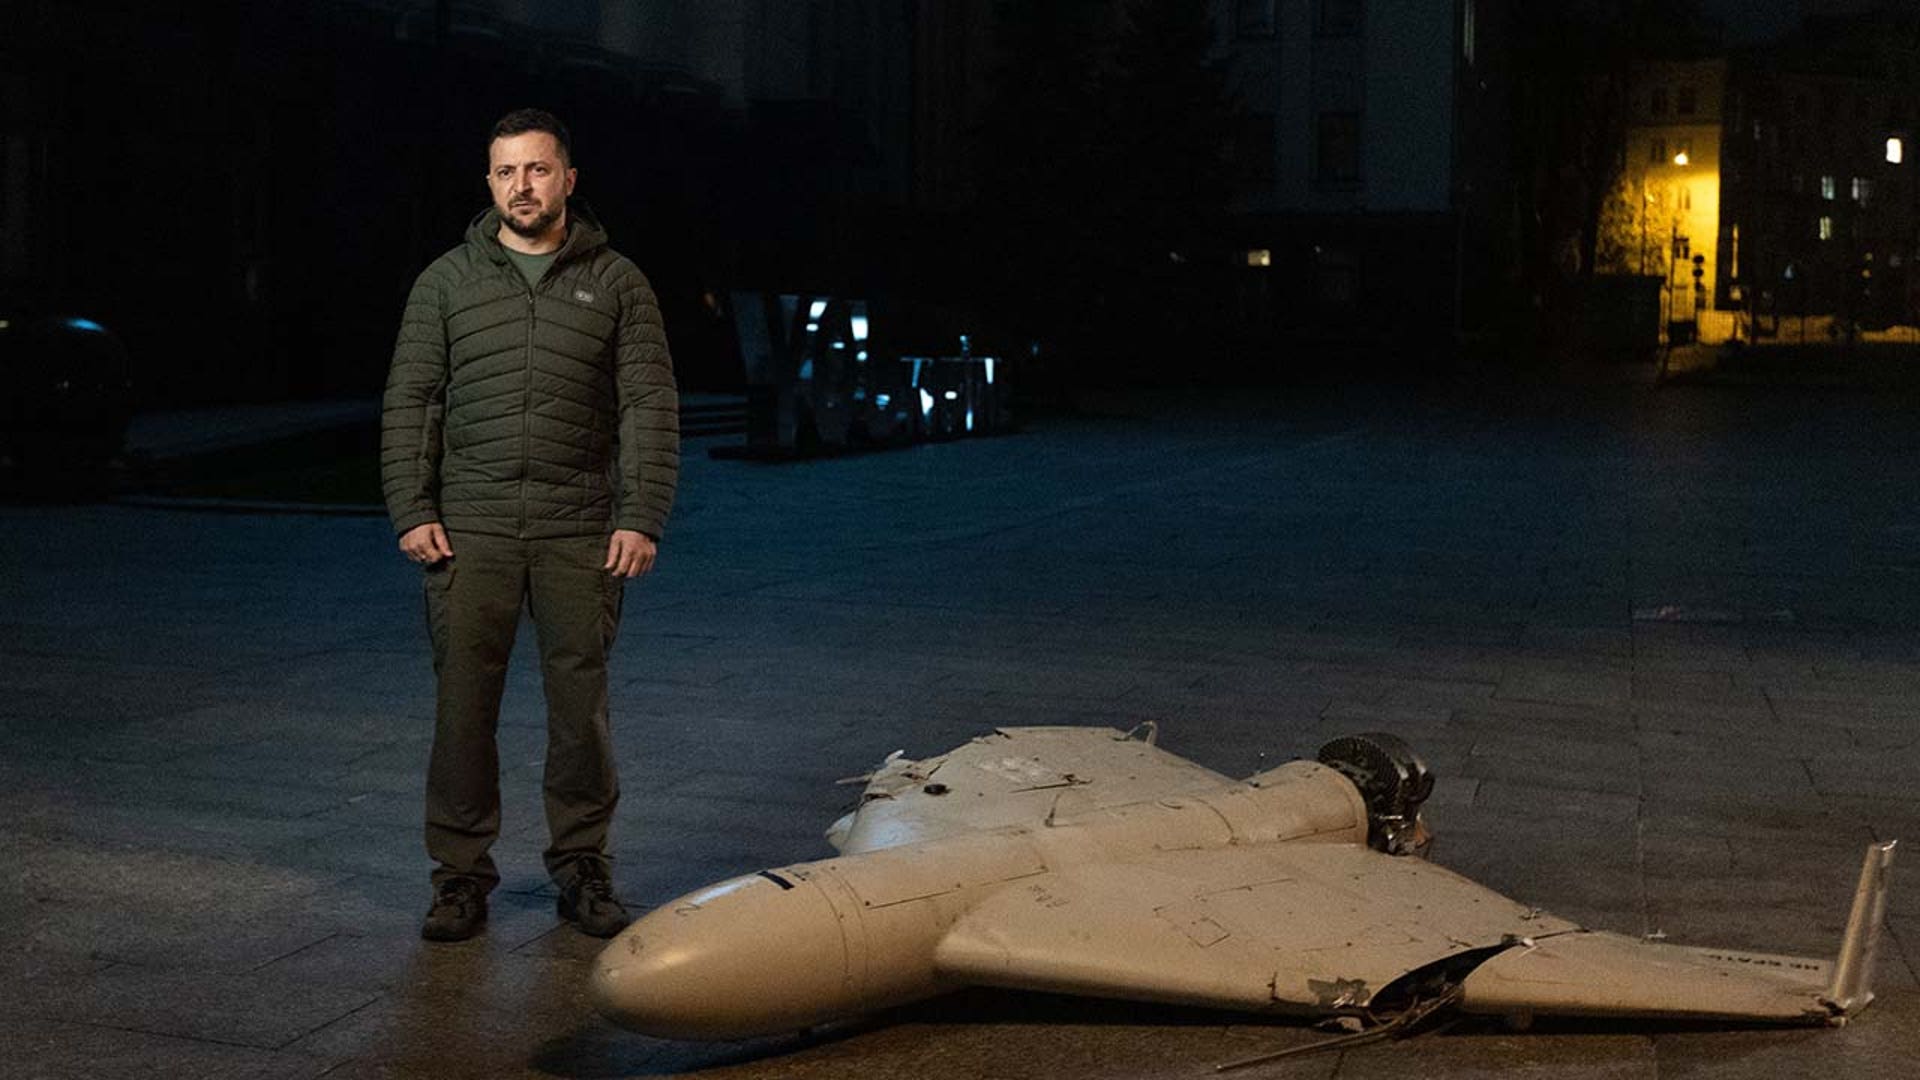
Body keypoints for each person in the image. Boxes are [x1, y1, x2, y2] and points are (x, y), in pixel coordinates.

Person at [381, 108, 679, 942]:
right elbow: (412, 399)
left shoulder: (617, 282)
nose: (523, 185)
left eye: (538, 170)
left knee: (579, 709)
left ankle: (583, 868)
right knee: (462, 709)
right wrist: (413, 508)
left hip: (579, 529)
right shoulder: (446, 281)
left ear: (568, 180)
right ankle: (459, 877)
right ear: (489, 183)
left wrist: (640, 516)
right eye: (507, 172)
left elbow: (649, 405)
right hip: (468, 531)